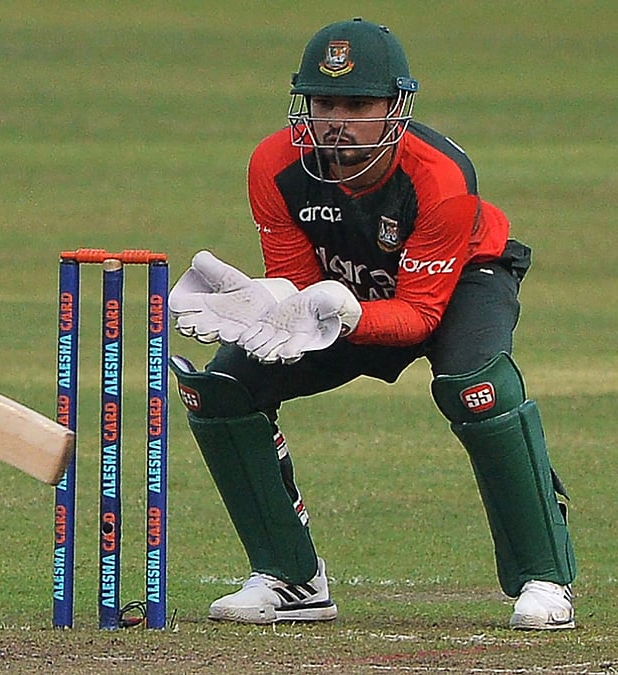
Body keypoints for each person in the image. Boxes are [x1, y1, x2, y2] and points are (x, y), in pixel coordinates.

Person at [168, 17, 575, 631]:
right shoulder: (274, 165)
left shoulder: (441, 175)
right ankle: (290, 578)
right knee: (221, 389)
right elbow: (297, 285)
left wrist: (348, 313)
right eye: (324, 101)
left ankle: (544, 577)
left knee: (476, 387)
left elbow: (419, 315)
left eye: (358, 104)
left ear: (395, 107)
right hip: (344, 291)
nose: (337, 118)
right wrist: (270, 306)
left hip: (460, 281)